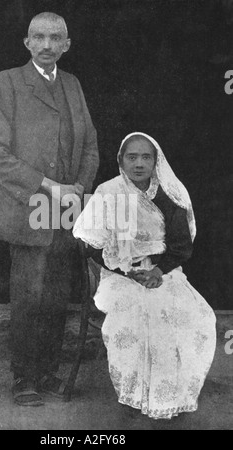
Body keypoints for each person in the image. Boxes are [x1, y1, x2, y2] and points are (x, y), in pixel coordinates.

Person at [0, 12, 99, 406]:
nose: (47, 45)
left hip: (66, 213)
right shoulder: (8, 83)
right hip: (27, 208)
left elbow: (90, 146)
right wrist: (51, 186)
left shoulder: (72, 84)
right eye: (39, 37)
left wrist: (79, 189)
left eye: (55, 38)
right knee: (29, 297)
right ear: (26, 43)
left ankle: (48, 373)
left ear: (67, 45)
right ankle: (24, 378)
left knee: (56, 297)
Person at [73, 132, 216, 420]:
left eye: (146, 157)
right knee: (136, 312)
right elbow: (90, 245)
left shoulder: (169, 194)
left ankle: (169, 394)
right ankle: (137, 393)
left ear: (156, 161)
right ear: (121, 161)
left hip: (163, 271)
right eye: (132, 157)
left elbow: (180, 247)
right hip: (119, 275)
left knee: (193, 314)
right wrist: (125, 271)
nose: (139, 163)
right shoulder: (107, 192)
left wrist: (158, 271)